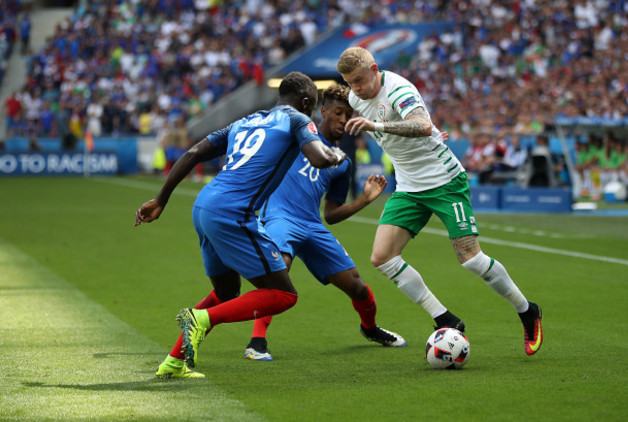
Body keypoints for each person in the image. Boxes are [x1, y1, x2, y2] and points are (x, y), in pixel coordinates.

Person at [135, 72, 346, 379]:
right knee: (283, 295)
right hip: (233, 214)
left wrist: (160, 200)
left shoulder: (244, 121)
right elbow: (318, 158)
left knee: (227, 291)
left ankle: (174, 361)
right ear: (304, 102)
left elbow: (193, 152)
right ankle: (201, 318)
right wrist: (336, 155)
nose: (312, 114)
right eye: (312, 107)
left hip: (204, 206)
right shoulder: (299, 121)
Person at [336, 47, 543, 356]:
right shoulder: (356, 98)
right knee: (381, 257)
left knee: (470, 259)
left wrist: (378, 126)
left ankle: (528, 311)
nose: (357, 89)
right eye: (350, 83)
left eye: (360, 80)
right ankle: (445, 318)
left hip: (444, 182)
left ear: (375, 69)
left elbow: (421, 125)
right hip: (409, 187)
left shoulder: (399, 90)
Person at [244, 84, 405, 361]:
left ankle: (370, 328)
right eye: (338, 113)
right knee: (279, 269)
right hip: (279, 216)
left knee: (358, 286)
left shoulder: (342, 163)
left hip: (311, 224)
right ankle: (256, 341)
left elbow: (331, 214)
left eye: (348, 115)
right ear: (324, 111)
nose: (344, 120)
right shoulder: (298, 132)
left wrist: (365, 200)